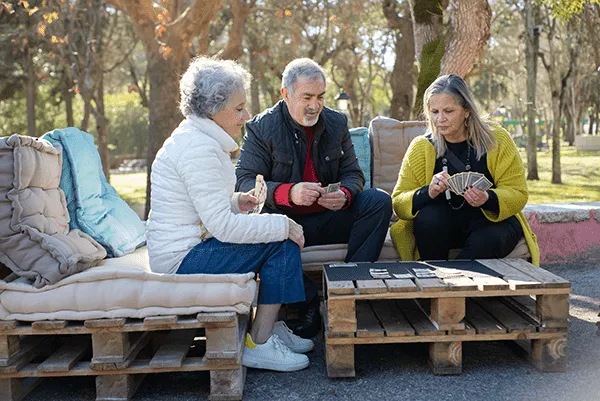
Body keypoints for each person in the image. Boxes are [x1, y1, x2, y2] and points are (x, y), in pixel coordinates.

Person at [146, 56, 313, 372]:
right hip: (182, 259)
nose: (247, 116)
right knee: (282, 242)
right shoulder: (198, 149)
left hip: (189, 247)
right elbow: (223, 228)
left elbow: (200, 204)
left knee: (279, 237)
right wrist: (282, 224)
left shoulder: (197, 139)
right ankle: (260, 343)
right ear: (212, 109)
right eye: (238, 108)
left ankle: (270, 327)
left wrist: (238, 201)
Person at [235, 58, 392, 337]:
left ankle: (349, 288)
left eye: (320, 97)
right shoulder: (261, 128)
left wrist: (344, 194)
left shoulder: (336, 122)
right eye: (306, 97)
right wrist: (288, 193)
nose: (314, 105)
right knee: (267, 234)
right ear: (285, 94)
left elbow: (354, 175)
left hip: (330, 216)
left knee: (378, 201)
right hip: (287, 223)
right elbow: (246, 181)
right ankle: (308, 305)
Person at [390, 74, 540, 265]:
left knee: (489, 238)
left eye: (449, 111)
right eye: (434, 112)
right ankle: (436, 282)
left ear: (467, 111)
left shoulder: (497, 139)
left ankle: (454, 286)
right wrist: (427, 192)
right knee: (428, 219)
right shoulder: (422, 146)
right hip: (443, 226)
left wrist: (488, 198)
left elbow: (518, 193)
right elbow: (399, 202)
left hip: (490, 222)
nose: (440, 119)